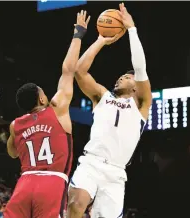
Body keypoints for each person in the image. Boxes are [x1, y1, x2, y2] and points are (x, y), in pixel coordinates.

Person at [67, 3, 152, 218]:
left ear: (136, 86)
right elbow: (79, 71)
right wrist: (100, 40)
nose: (120, 77)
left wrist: (131, 29)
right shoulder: (102, 97)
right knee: (76, 204)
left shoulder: (141, 105)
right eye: (120, 75)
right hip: (91, 162)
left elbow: (140, 68)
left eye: (127, 76)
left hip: (116, 173)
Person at [4, 11, 91, 218]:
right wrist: (78, 35)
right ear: (42, 99)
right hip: (51, 181)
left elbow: (12, 153)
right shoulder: (57, 107)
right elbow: (68, 70)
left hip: (25, 183)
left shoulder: (15, 125)